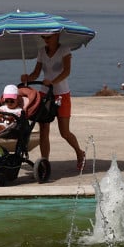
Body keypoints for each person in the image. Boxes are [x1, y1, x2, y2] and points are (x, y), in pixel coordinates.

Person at [20, 33, 86, 172]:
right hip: (45, 94)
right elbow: (36, 73)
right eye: (43, 38)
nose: (45, 40)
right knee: (44, 130)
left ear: (56, 36)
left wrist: (53, 82)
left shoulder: (64, 50)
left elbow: (67, 71)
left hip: (62, 94)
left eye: (48, 37)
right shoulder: (42, 52)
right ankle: (45, 163)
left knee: (65, 132)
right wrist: (28, 77)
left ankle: (80, 153)